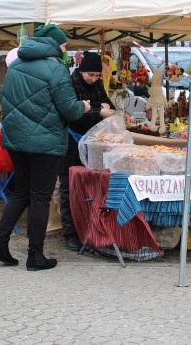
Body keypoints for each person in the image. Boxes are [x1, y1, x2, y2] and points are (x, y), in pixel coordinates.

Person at [0, 24, 91, 271]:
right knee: (40, 197)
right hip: (44, 143)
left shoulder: (15, 66)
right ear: (54, 45)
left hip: (16, 141)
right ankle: (35, 256)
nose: (66, 49)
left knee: (21, 192)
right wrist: (84, 107)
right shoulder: (56, 69)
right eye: (64, 44)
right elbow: (69, 110)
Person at [58, 51, 115, 251]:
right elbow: (73, 114)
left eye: (97, 75)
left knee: (88, 189)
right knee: (68, 188)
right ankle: (70, 234)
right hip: (70, 144)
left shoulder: (97, 84)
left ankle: (86, 231)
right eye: (90, 75)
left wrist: (108, 108)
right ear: (81, 71)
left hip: (92, 145)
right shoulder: (70, 84)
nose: (94, 79)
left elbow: (109, 104)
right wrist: (98, 112)